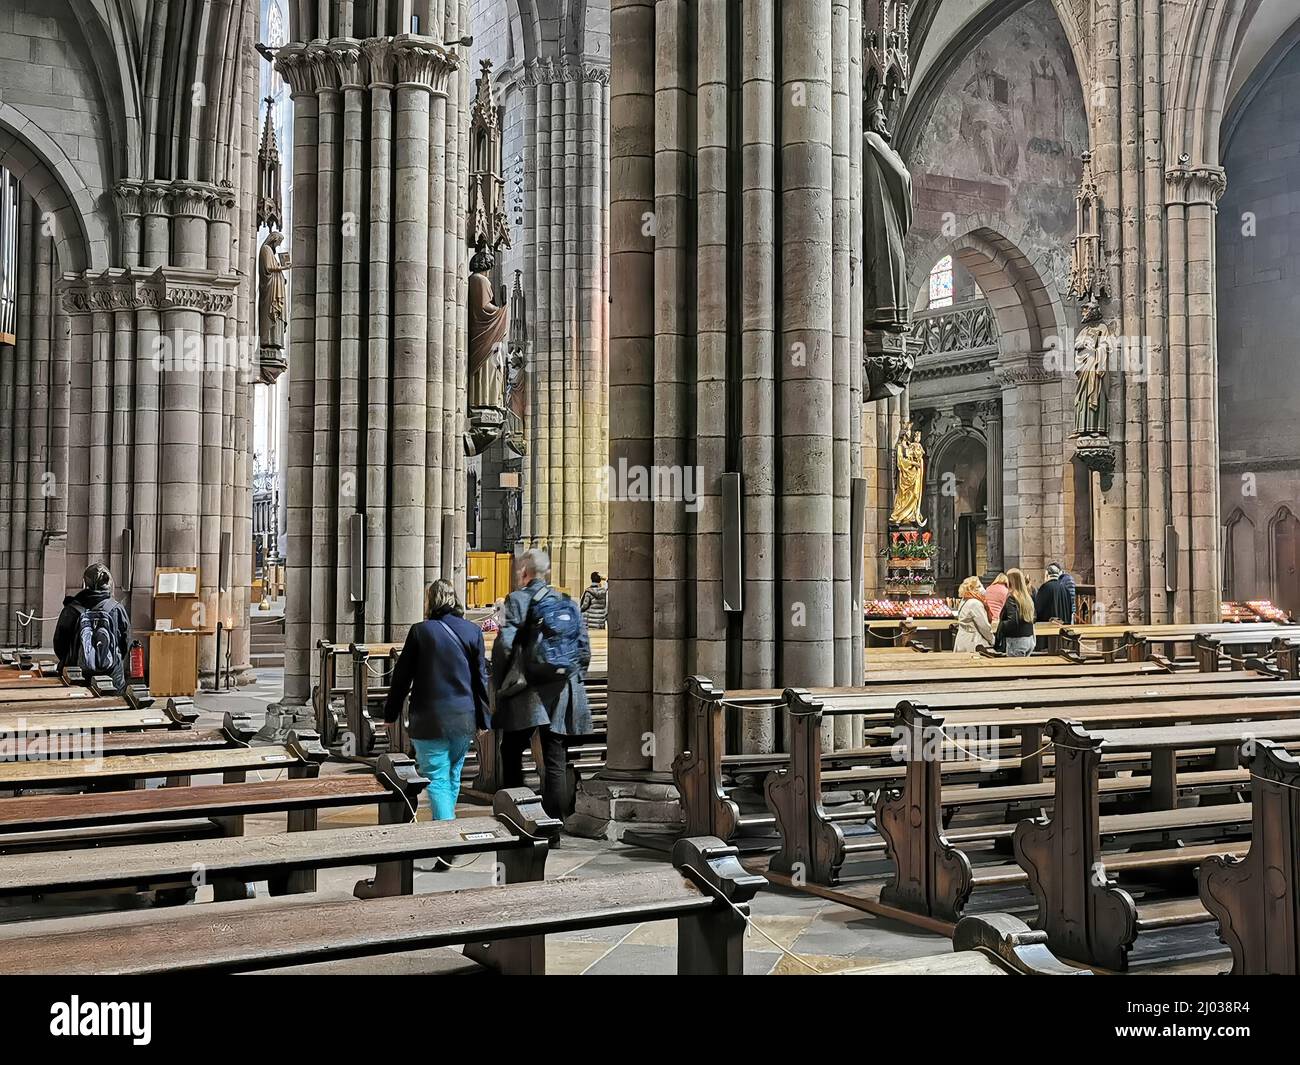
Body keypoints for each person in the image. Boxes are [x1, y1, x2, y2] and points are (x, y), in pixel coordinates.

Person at [491, 548, 592, 821]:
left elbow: (504, 645)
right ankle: (554, 825)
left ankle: (516, 816)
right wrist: (571, 675)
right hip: (562, 687)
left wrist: (499, 683)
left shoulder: (515, 600)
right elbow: (583, 648)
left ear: (524, 571)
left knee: (510, 750)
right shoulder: (566, 600)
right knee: (555, 757)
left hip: (529, 690)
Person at [383, 579, 490, 823]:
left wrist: (390, 715)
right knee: (452, 775)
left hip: (429, 720)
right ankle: (447, 829)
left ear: (431, 600)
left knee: (438, 779)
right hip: (463, 718)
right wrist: (484, 720)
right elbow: (480, 679)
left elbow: (401, 677)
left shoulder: (421, 631)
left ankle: (446, 837)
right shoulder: (472, 631)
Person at [53, 563, 132, 690]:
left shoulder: (71, 610)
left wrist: (76, 659)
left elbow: (59, 644)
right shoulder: (116, 609)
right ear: (109, 584)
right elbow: (125, 643)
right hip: (111, 677)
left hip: (77, 676)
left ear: (84, 584)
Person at [995, 568, 1037, 657]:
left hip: (1017, 640)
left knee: (1014, 670)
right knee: (1024, 669)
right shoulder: (1027, 597)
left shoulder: (1012, 597)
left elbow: (1012, 621)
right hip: (1029, 638)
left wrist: (1002, 626)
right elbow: (1032, 617)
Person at [953, 576, 995, 653]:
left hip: (962, 638)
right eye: (979, 586)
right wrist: (992, 640)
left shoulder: (964, 600)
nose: (982, 588)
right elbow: (983, 626)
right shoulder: (975, 603)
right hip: (973, 641)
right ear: (972, 589)